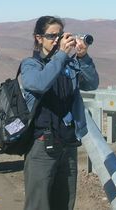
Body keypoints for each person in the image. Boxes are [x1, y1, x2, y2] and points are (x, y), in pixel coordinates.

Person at [21, 15, 99, 210]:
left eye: (60, 35)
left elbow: (92, 83)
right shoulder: (31, 65)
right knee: (38, 204)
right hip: (41, 145)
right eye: (52, 36)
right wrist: (61, 56)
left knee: (64, 202)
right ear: (39, 38)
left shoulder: (68, 64)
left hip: (68, 143)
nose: (57, 40)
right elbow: (39, 84)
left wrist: (83, 57)